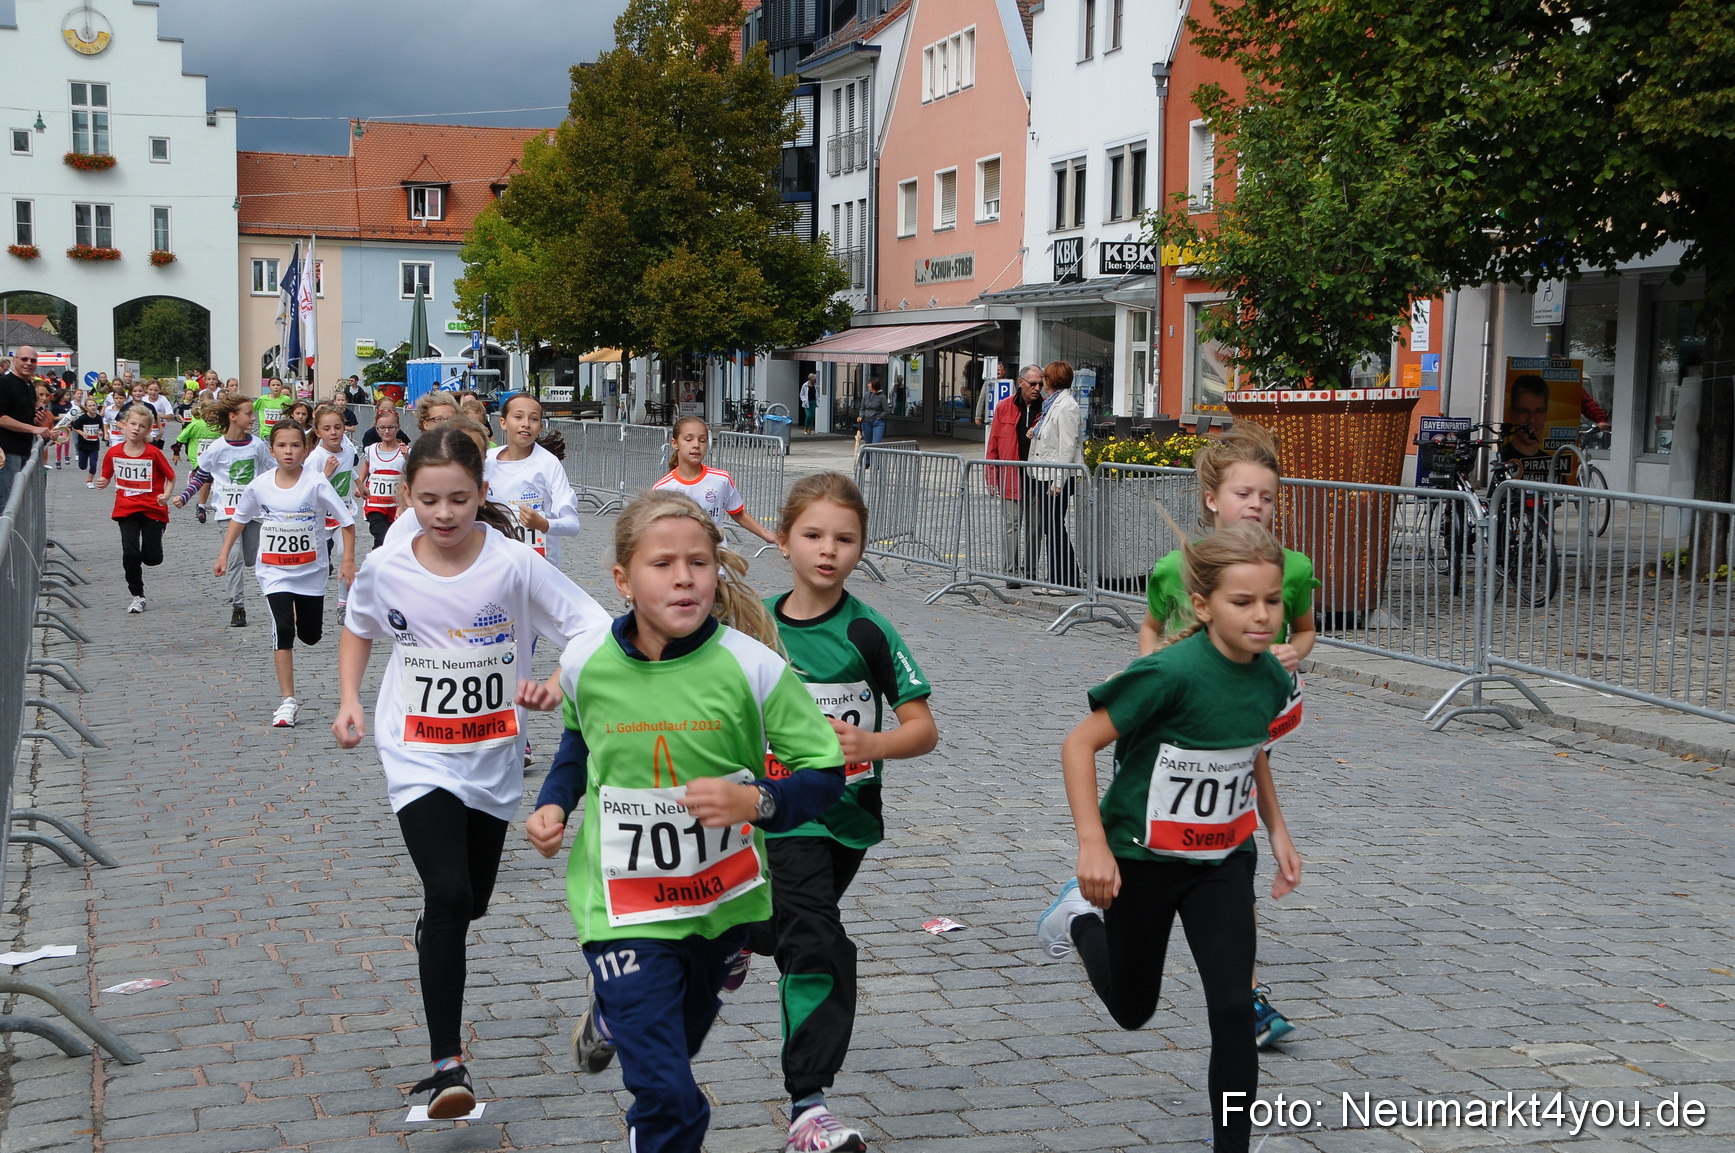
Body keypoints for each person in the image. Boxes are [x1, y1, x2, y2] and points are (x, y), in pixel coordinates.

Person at [524, 489, 846, 1153]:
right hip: (617, 906)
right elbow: (579, 744)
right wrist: (554, 803)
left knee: (672, 1054)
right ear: (622, 579)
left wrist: (756, 800)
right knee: (670, 1092)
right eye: (662, 563)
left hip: (718, 908)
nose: (682, 577)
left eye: (697, 562)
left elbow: (823, 771)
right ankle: (636, 1051)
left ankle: (625, 1043)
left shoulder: (752, 667)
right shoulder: (587, 662)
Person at [335, 427, 608, 1120]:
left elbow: (592, 624)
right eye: (429, 500)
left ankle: (440, 929)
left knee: (468, 901)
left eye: (459, 498)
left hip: (492, 754)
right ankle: (446, 1063)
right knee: (449, 891)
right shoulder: (389, 565)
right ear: (407, 498)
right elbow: (359, 625)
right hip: (415, 748)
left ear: (482, 494)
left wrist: (553, 679)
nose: (445, 513)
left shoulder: (515, 565)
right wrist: (346, 699)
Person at [1037, 521, 1303, 1153]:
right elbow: (1080, 743)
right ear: (1205, 606)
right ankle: (1076, 921)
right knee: (1133, 1010)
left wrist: (1278, 829)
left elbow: (1251, 748)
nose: (1262, 616)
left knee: (1234, 1008)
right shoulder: (1168, 674)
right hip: (1142, 859)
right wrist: (1092, 844)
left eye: (1273, 601)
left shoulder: (1271, 676)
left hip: (1222, 860)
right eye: (1243, 602)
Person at [741, 472, 938, 1151]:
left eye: (845, 538)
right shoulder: (753, 624)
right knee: (819, 941)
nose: (828, 550)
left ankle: (734, 937)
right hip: (784, 815)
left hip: (848, 817)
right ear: (785, 536)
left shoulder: (868, 629)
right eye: (813, 534)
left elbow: (923, 728)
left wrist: (872, 741)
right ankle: (809, 1105)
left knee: (782, 931)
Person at [1135, 420, 1317, 1044]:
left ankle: (1244, 993)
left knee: (1229, 869)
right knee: (1161, 873)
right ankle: (1108, 908)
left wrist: (1292, 651)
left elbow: (1305, 631)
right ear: (1213, 499)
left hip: (1239, 726)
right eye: (1245, 495)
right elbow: (1151, 629)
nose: (1257, 507)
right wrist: (1151, 681)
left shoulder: (1288, 568)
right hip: (1169, 739)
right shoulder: (1174, 567)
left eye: (1267, 497)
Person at [217, 421, 356, 727]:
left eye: (295, 445)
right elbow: (239, 518)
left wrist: (347, 561)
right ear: (272, 450)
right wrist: (224, 553)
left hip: (311, 571)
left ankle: (297, 616)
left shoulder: (317, 483)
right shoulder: (260, 484)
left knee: (310, 635)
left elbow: (346, 522)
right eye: (282, 445)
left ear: (306, 450)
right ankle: (287, 702)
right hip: (274, 571)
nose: (289, 451)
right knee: (283, 629)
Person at [174, 393, 275, 627]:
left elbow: (272, 473)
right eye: (248, 414)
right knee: (235, 557)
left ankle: (241, 590)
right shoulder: (217, 447)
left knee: (251, 557)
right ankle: (238, 606)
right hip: (226, 512)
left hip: (254, 513)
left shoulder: (258, 445)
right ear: (233, 417)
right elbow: (202, 475)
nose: (253, 418)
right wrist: (185, 496)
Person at [652, 415, 777, 548]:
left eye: (702, 440)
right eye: (688, 439)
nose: (696, 445)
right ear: (675, 443)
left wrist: (767, 535)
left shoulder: (721, 479)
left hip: (717, 561)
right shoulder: (662, 489)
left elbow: (738, 513)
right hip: (683, 560)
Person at [96, 403, 175, 614]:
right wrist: (103, 481)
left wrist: (166, 495)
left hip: (152, 510)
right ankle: (137, 595)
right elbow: (106, 475)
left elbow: (171, 477)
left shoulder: (153, 453)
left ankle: (156, 537)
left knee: (152, 559)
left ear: (148, 430)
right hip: (126, 509)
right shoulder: (113, 453)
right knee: (130, 553)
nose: (136, 429)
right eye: (132, 424)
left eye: (141, 426)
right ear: (123, 425)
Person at [487, 393, 580, 565]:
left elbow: (572, 524)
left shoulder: (548, 464)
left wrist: (543, 524)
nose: (525, 424)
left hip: (539, 567)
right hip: (496, 564)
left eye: (534, 419)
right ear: (503, 423)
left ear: (540, 427)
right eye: (518, 417)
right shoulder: (486, 461)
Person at [984, 365, 1045, 588]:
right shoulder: (1004, 407)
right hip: (1012, 476)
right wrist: (992, 475)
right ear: (1021, 383)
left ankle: (1029, 572)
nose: (1037, 388)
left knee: (1035, 527)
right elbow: (994, 444)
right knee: (1012, 525)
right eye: (1033, 384)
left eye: (1041, 383)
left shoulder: (1046, 407)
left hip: (1038, 478)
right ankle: (1011, 573)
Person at [1026, 361, 1084, 590]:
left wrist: (1058, 481)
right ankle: (1061, 578)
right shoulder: (1052, 404)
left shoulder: (1067, 406)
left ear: (1051, 381)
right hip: (1045, 474)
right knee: (1052, 526)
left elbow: (1068, 447)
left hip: (1056, 477)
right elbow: (1052, 436)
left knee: (1054, 526)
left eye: (1044, 378)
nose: (1041, 383)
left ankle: (1065, 580)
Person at [307, 404, 360, 598]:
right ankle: (312, 597)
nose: (333, 432)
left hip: (344, 512)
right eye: (327, 429)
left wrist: (360, 484)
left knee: (344, 554)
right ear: (318, 432)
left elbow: (349, 470)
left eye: (338, 427)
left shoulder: (347, 451)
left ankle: (343, 602)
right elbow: (308, 489)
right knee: (319, 562)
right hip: (321, 518)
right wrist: (326, 474)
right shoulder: (316, 457)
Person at [0, 346, 51, 507]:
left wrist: (36, 422)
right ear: (15, 360)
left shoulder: (29, 386)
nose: (28, 363)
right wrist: (33, 429)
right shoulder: (4, 383)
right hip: (8, 452)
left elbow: (22, 418)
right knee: (8, 503)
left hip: (25, 450)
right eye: (24, 359)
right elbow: (1, 418)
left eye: (33, 360)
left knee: (21, 503)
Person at [357, 408, 409, 549]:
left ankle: (377, 564)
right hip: (375, 505)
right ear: (377, 429)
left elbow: (412, 473)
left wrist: (408, 458)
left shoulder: (405, 451)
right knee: (383, 536)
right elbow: (367, 465)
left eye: (391, 427)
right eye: (382, 428)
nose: (386, 431)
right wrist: (360, 484)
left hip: (397, 505)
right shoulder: (371, 450)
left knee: (390, 541)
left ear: (398, 428)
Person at [174, 401, 223, 521]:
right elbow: (181, 438)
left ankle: (219, 503)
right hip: (198, 458)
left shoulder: (220, 426)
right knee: (208, 479)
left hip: (215, 460)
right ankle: (201, 507)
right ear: (204, 413)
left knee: (217, 480)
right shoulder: (196, 425)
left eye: (216, 413)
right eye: (211, 413)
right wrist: (176, 453)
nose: (213, 416)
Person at [70, 396, 105, 485]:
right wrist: (82, 433)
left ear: (97, 406)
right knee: (82, 466)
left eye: (94, 405)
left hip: (94, 445)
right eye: (90, 406)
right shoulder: (83, 418)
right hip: (83, 445)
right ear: (86, 408)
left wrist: (101, 432)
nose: (92, 407)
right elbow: (74, 427)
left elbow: (101, 427)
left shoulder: (98, 418)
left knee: (93, 464)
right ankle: (83, 466)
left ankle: (89, 481)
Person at [856, 378, 887, 447]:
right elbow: (862, 408)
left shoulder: (882, 397)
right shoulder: (866, 395)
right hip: (866, 422)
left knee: (876, 443)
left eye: (869, 383)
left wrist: (879, 417)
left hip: (877, 422)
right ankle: (868, 458)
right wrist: (861, 416)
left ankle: (876, 458)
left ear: (874, 385)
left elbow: (886, 410)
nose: (868, 385)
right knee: (868, 443)